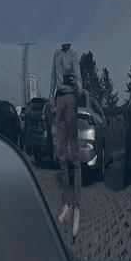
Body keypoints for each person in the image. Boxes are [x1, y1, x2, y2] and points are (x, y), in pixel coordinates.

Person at [53, 71, 81, 234]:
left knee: (76, 160)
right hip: (59, 98)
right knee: (62, 158)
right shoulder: (56, 58)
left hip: (70, 97)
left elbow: (79, 81)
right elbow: (53, 75)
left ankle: (77, 208)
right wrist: (52, 97)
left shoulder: (73, 59)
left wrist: (77, 87)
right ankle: (67, 205)